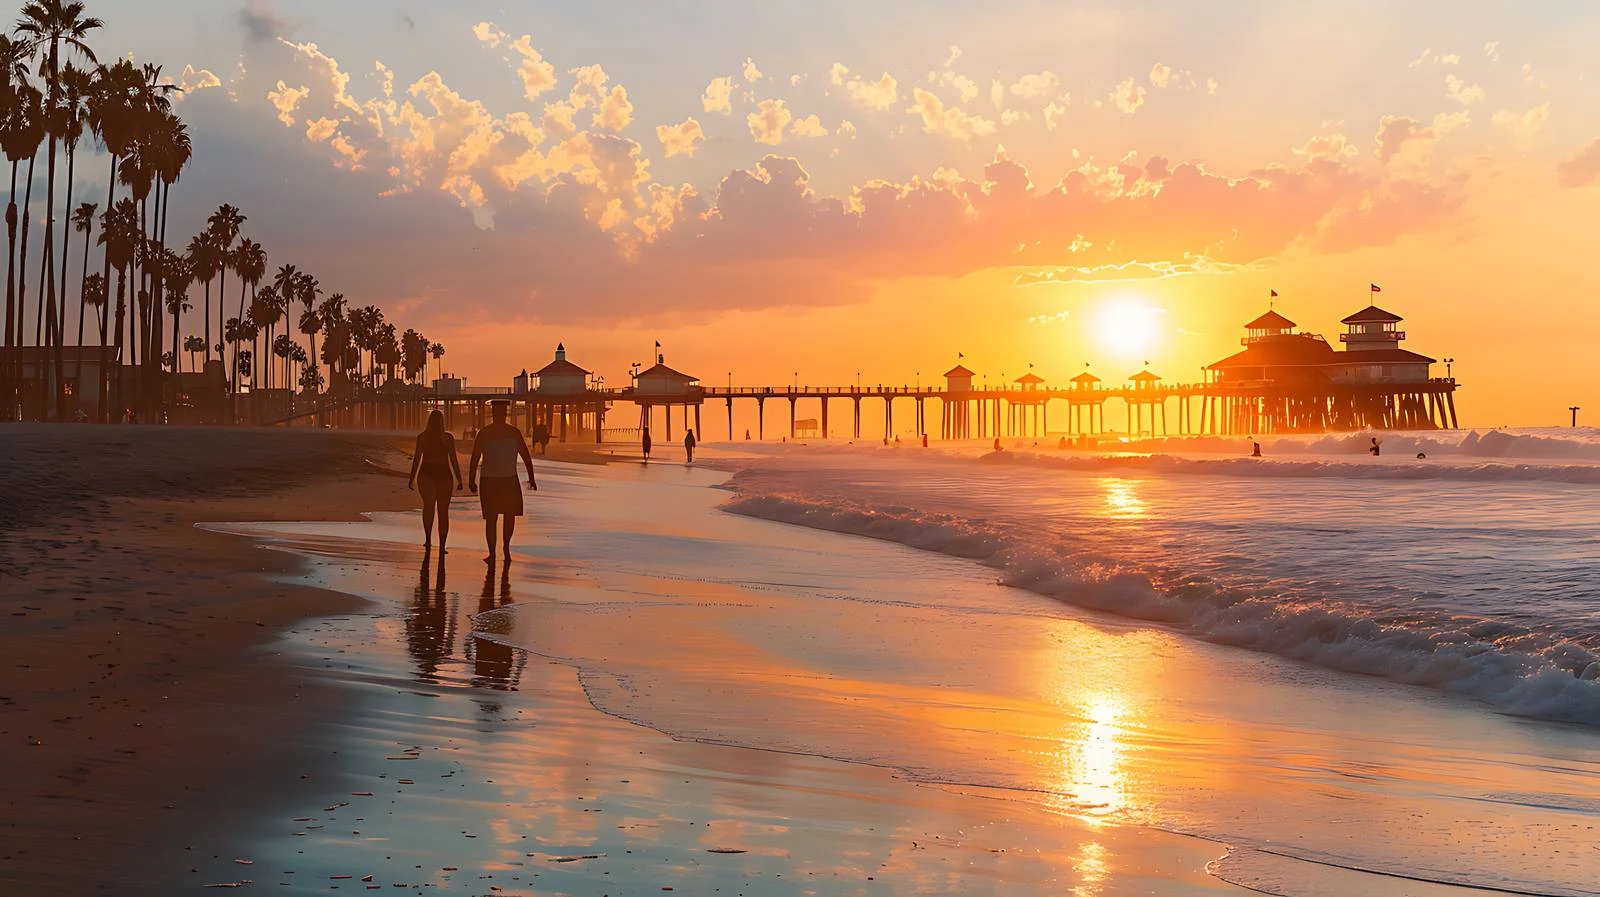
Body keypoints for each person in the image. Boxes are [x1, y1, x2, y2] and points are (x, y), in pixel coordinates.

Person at [469, 400, 536, 564]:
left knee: (492, 519)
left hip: (492, 480)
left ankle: (495, 552)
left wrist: (471, 479)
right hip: (506, 480)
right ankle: (504, 548)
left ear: (493, 414)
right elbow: (525, 456)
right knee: (507, 516)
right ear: (504, 414)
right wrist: (531, 477)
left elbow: (475, 458)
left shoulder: (485, 433)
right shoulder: (512, 432)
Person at [407, 409, 464, 553]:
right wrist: (459, 479)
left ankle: (428, 540)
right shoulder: (447, 438)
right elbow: (453, 459)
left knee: (429, 507)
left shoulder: (423, 437)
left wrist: (411, 478)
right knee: (443, 511)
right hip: (443, 473)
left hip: (427, 472)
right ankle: (442, 546)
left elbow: (417, 459)